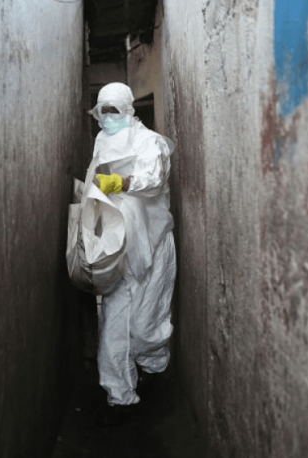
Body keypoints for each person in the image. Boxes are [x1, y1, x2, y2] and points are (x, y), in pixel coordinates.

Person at [86, 82, 176, 425]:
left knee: (144, 325)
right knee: (112, 323)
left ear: (127, 108)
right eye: (102, 110)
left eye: (114, 109)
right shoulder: (101, 141)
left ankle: (155, 368)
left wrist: (121, 183)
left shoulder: (148, 142)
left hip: (151, 246)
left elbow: (152, 180)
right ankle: (119, 394)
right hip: (116, 246)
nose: (107, 117)